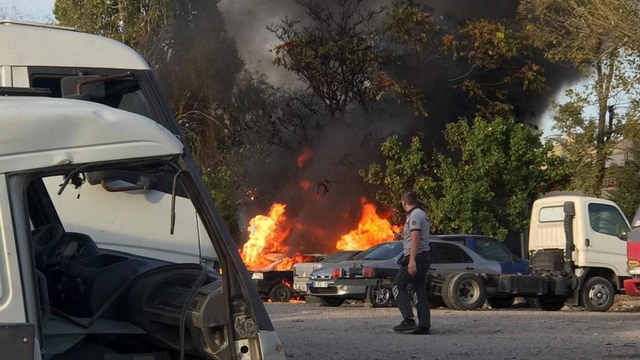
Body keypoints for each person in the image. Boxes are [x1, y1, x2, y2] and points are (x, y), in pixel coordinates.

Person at [392, 190, 432, 335]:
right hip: (423, 256)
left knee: (398, 285)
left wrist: (412, 260)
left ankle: (408, 319)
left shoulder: (414, 215)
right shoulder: (421, 214)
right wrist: (402, 236)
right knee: (418, 290)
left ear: (403, 202)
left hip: (417, 257)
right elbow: (413, 236)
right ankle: (424, 325)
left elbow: (415, 238)